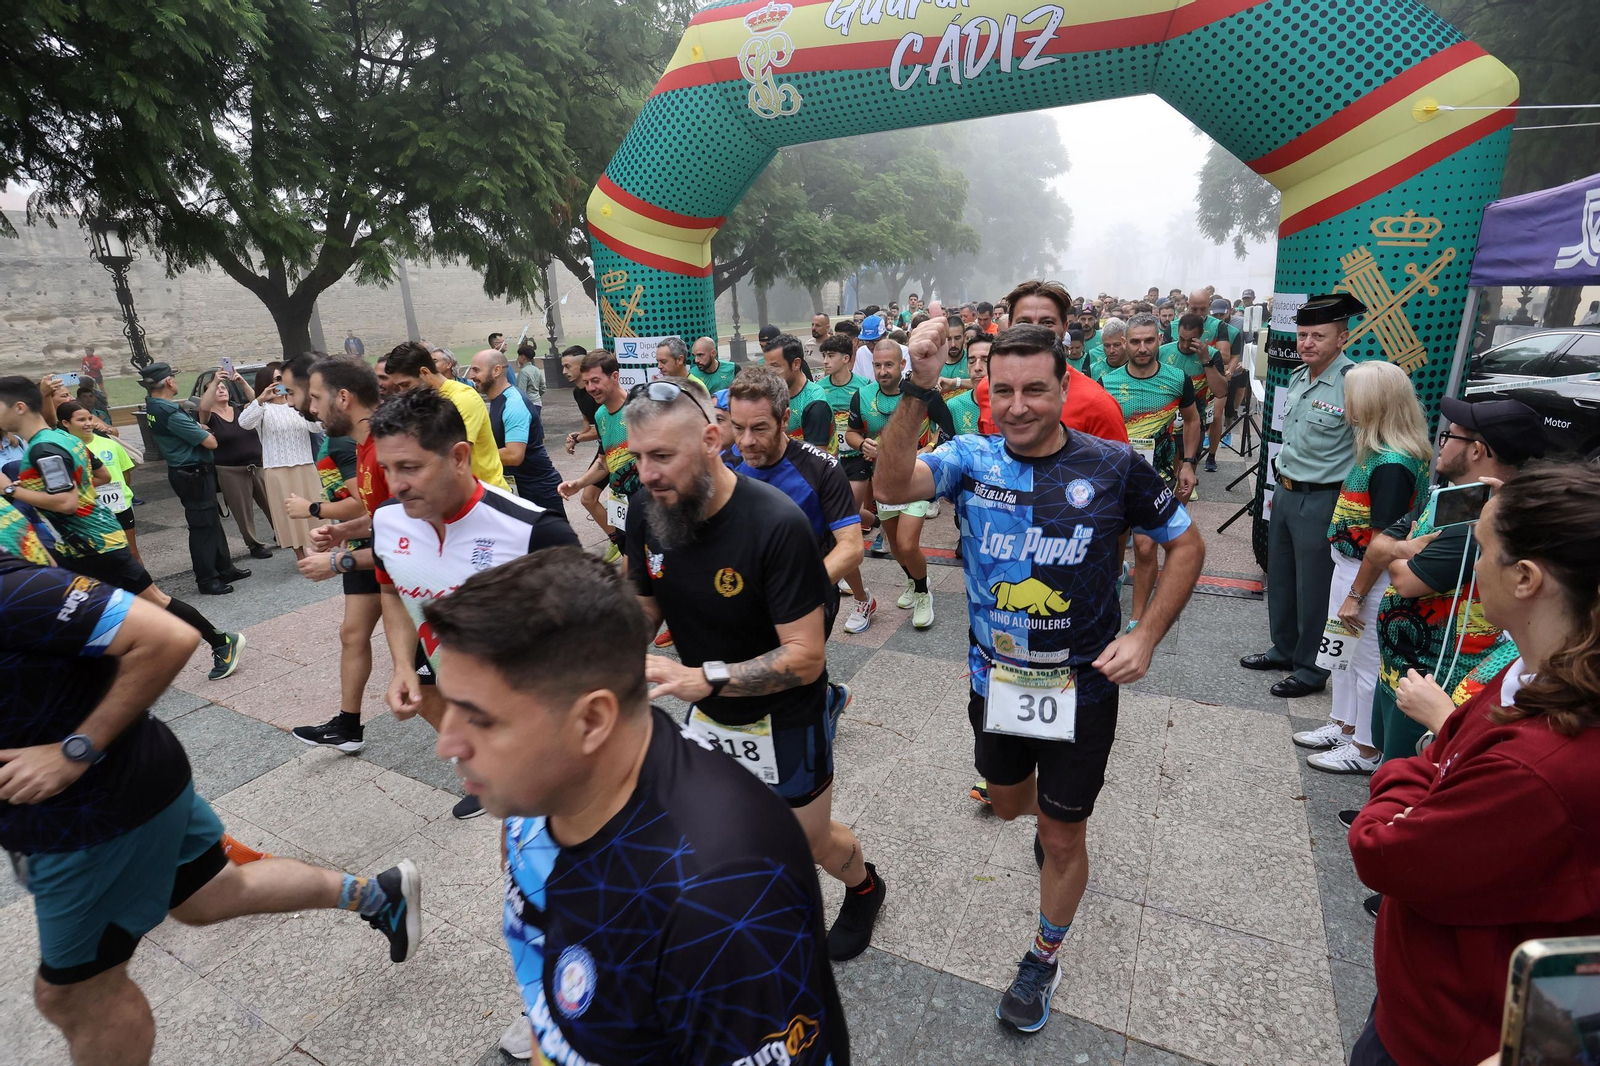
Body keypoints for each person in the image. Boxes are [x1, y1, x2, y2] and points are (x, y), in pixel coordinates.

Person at [874, 319, 1203, 1033]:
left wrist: (1145, 634)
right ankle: (1046, 816)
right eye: (1004, 391)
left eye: (1036, 389)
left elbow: (1186, 544)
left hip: (1082, 687)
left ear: (1065, 386)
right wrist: (918, 386)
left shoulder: (1114, 465)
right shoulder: (969, 455)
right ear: (987, 392)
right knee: (1007, 801)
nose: (1019, 405)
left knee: (1060, 835)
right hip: (994, 682)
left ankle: (1044, 955)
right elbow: (892, 483)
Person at [424, 549, 849, 1065]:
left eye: (479, 719)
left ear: (592, 721)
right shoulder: (537, 791)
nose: (446, 743)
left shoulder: (724, 898)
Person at [0, 556, 419, 1066]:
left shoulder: (11, 587)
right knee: (212, 894)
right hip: (128, 782)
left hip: (94, 814)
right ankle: (379, 896)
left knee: (75, 995)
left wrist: (75, 750)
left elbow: (166, 636)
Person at [621, 379, 888, 963]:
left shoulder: (776, 523)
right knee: (718, 828)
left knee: (808, 840)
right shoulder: (649, 509)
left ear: (712, 440)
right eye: (637, 456)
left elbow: (805, 657)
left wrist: (702, 678)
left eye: (662, 455)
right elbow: (644, 604)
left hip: (786, 714)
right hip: (710, 711)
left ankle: (865, 888)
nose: (647, 473)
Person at [1347, 465, 1600, 1066]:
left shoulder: (1540, 766)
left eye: (1481, 548)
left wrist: (1413, 777)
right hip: (1435, 1002)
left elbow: (1381, 847)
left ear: (1526, 579)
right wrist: (1434, 769)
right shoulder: (1535, 675)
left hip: (1448, 1030)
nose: (1470, 563)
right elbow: (1447, 746)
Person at [369, 387, 577, 820]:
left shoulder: (534, 531)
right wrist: (403, 667)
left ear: (460, 457)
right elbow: (393, 592)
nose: (396, 485)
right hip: (479, 726)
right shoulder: (387, 521)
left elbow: (595, 637)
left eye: (410, 467)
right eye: (387, 468)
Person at [0, 375, 245, 681]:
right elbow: (100, 476)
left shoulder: (45, 448)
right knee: (98, 609)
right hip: (86, 541)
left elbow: (66, 503)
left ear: (19, 407)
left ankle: (221, 641)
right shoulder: (62, 439)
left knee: (151, 601)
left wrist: (11, 490)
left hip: (93, 543)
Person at [1365, 396, 1544, 765]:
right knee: (1389, 767)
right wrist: (1404, 549)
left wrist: (1401, 552)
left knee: (1413, 773)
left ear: (1478, 450)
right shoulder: (1447, 498)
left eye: (1449, 436)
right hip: (1402, 670)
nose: (1440, 443)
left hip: (1442, 679)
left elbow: (1407, 581)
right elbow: (1378, 546)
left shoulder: (1478, 519)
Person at [1292, 361, 1431, 774]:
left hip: (1369, 574)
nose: (1346, 405)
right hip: (1351, 566)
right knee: (1344, 651)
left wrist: (1356, 594)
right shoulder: (1378, 453)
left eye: (1353, 397)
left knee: (1367, 658)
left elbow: (1383, 544)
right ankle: (1344, 724)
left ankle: (1367, 749)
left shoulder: (1391, 464)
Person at [1241, 293, 1366, 698]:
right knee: (1282, 577)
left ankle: (1312, 670)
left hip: (1324, 498)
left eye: (1318, 335)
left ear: (1342, 339)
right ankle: (1284, 647)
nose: (1307, 343)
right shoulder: (1298, 377)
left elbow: (1369, 447)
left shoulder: (1354, 384)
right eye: (1302, 334)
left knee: (1314, 587)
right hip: (1287, 491)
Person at [286, 357, 389, 754]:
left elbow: (394, 524)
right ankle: (348, 724)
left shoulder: (362, 442)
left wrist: (316, 512)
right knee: (354, 635)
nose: (307, 406)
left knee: (429, 679)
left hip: (393, 561)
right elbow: (374, 512)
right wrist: (343, 533)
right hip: (374, 550)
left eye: (308, 395)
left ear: (341, 397)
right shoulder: (356, 442)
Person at [729, 366, 868, 651]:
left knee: (795, 680)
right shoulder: (725, 464)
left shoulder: (821, 469)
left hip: (806, 600)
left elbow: (852, 548)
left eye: (759, 428)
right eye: (737, 427)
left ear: (784, 419)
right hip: (746, 596)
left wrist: (796, 590)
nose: (746, 441)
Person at [1101, 313, 1201, 632]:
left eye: (1148, 340)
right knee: (1115, 544)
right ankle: (1115, 579)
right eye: (1135, 341)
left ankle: (1137, 619)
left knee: (1146, 546)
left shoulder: (1177, 378)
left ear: (1160, 340)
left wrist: (1188, 463)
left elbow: (1193, 420)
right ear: (1124, 344)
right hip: (1115, 476)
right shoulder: (1107, 382)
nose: (1142, 348)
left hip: (1155, 477)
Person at [846, 337, 949, 630]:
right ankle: (914, 579)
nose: (882, 371)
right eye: (877, 365)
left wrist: (927, 450)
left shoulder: (921, 394)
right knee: (894, 546)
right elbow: (852, 432)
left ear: (902, 365)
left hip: (917, 479)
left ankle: (922, 593)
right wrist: (862, 442)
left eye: (889, 364)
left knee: (907, 542)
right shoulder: (863, 396)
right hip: (883, 483)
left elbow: (947, 429)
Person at [971, 281, 1129, 445]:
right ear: (1009, 327)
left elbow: (1117, 467)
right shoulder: (987, 388)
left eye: (1047, 323)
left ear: (1065, 328)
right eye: (1023, 322)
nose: (1035, 331)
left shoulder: (1098, 404)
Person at [138, 362, 247, 595]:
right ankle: (207, 578)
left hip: (194, 471)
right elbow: (210, 442)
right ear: (168, 381)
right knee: (202, 527)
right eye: (173, 378)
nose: (175, 381)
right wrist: (205, 431)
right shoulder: (166, 409)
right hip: (191, 473)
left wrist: (201, 429)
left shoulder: (156, 406)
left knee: (211, 522)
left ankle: (224, 568)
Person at [382, 341, 510, 491]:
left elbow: (450, 456)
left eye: (405, 385)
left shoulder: (463, 398)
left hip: (485, 495)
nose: (403, 392)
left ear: (425, 372)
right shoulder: (425, 401)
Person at [234, 363, 324, 559]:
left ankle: (319, 548)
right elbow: (244, 423)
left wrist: (308, 404)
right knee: (290, 514)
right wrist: (260, 399)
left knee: (314, 507)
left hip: (305, 465)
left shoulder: (297, 404)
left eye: (283, 379)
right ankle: (300, 553)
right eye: (276, 379)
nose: (281, 383)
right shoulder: (261, 408)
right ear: (266, 383)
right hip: (277, 469)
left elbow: (317, 428)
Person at [557, 350, 638, 563]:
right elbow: (604, 461)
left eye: (595, 380)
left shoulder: (638, 411)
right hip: (619, 505)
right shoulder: (601, 415)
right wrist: (578, 484)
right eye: (587, 382)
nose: (591, 388)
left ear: (614, 376)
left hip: (646, 507)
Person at [196, 369, 278, 561]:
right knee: (242, 511)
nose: (221, 390)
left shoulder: (241, 409)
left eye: (224, 388)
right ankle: (254, 544)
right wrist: (215, 381)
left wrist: (242, 382)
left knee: (272, 504)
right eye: (217, 389)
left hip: (256, 466)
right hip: (230, 470)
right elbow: (204, 409)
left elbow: (260, 401)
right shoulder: (209, 418)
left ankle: (281, 532)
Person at [468, 348, 563, 511]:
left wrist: (468, 455)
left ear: (497, 370)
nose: (471, 376)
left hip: (538, 489)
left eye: (476, 370)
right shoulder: (498, 400)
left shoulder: (513, 403)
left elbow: (514, 455)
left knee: (553, 537)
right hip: (518, 486)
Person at [57, 401, 142, 564]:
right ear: (66, 423)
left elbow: (125, 473)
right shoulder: (63, 450)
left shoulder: (110, 444)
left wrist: (125, 495)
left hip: (121, 506)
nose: (88, 423)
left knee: (132, 552)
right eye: (81, 420)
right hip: (88, 510)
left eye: (90, 418)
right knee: (101, 557)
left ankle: (143, 588)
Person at [557, 345, 614, 551]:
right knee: (588, 498)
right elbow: (590, 426)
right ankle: (618, 539)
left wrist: (578, 438)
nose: (564, 372)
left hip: (614, 453)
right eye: (589, 383)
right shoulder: (578, 394)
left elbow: (602, 430)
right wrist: (576, 436)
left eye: (567, 366)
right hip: (605, 454)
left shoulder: (613, 401)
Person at [762, 333, 835, 453]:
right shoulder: (771, 392)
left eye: (775, 366)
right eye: (766, 367)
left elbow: (816, 460)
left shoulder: (815, 403)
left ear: (796, 364)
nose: (769, 373)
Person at [853, 314, 886, 380]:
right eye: (867, 341)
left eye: (875, 341)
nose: (871, 346)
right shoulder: (861, 352)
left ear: (885, 336)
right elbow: (856, 380)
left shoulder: (901, 351)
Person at [513, 342, 545, 408]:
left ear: (523, 357)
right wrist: (536, 395)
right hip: (538, 402)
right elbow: (543, 387)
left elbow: (521, 391)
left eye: (519, 356)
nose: (518, 358)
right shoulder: (536, 370)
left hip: (528, 403)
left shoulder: (523, 372)